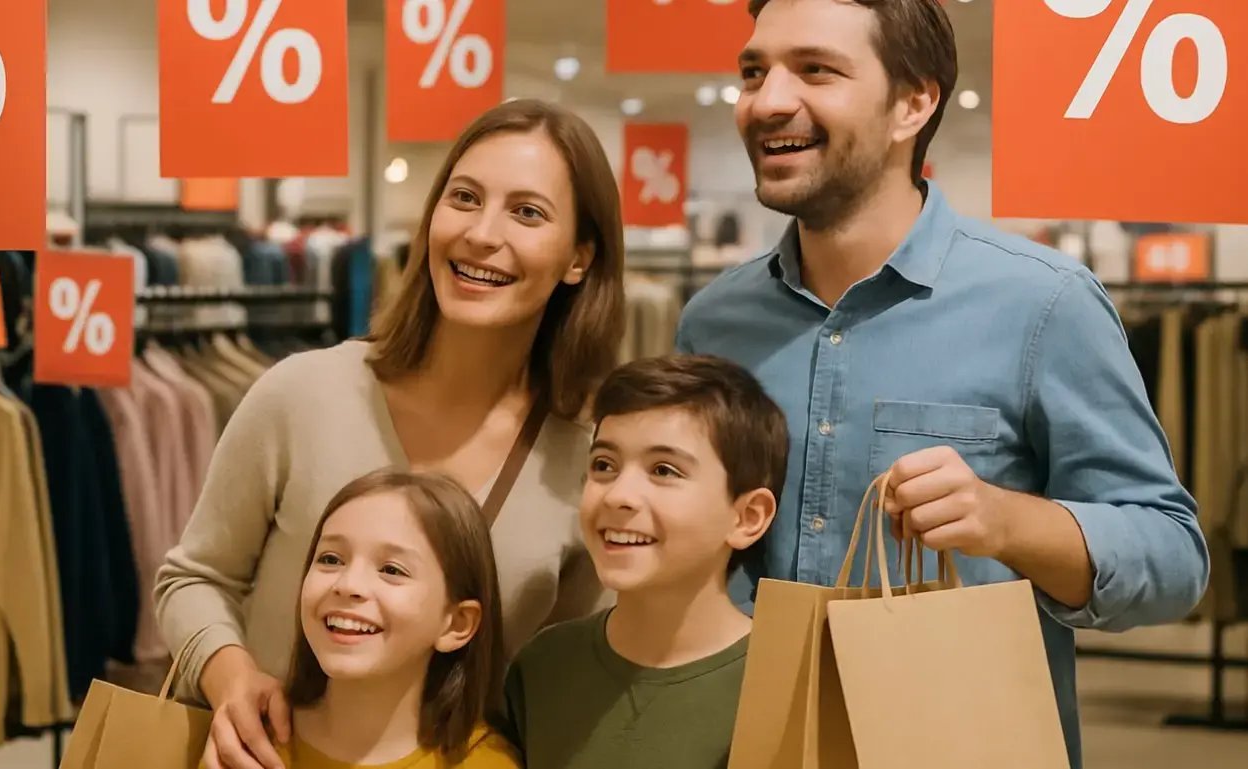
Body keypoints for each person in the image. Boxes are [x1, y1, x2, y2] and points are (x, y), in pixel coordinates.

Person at [675, 2, 1209, 767]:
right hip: (750, 740)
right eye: (754, 72)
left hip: (958, 742)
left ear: (913, 103)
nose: (767, 101)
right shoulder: (713, 323)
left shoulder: (1043, 304)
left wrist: (1007, 521)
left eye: (815, 69)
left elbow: (1173, 557)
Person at [156, 98, 626, 769]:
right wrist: (229, 676)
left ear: (579, 258)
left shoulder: (580, 463)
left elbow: (562, 674)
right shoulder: (305, 393)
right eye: (464, 197)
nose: (481, 233)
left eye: (526, 212)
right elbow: (193, 575)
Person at [500, 355, 786, 768]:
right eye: (604, 465)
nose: (618, 495)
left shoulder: (785, 683)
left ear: (747, 517)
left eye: (664, 470)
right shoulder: (543, 668)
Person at [276, 468, 518, 768]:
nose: (348, 585)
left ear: (457, 623)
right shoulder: (243, 738)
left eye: (391, 570)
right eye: (330, 559)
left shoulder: (484, 763)